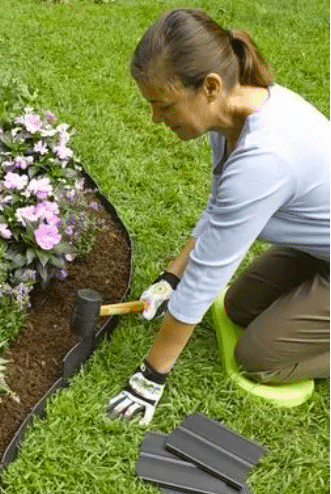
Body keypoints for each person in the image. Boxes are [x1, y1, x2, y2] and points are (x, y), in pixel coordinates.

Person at [107, 7, 330, 425]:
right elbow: (217, 214)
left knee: (260, 358)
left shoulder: (264, 157)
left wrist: (150, 376)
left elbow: (207, 278)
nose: (156, 119)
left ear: (210, 86)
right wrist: (171, 277)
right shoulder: (231, 120)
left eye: (164, 105)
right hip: (319, 249)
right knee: (241, 308)